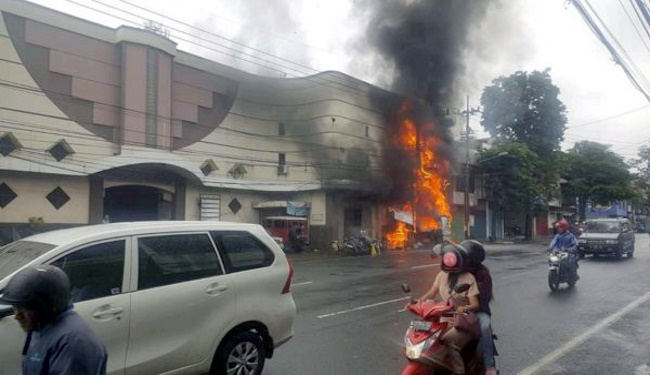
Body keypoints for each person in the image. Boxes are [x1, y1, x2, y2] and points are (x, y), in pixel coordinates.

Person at [0, 265, 107, 375]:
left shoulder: (73, 343)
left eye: (24, 309)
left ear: (45, 307)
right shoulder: (39, 329)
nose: (17, 316)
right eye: (15, 308)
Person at [421, 243, 480, 374]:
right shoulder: (442, 275)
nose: (448, 262)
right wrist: (419, 302)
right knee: (428, 337)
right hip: (445, 317)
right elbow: (431, 293)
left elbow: (475, 305)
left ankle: (459, 371)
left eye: (451, 259)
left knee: (449, 340)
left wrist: (463, 309)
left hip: (463, 321)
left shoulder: (468, 278)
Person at [460, 240, 498, 375]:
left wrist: (468, 307)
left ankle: (489, 366)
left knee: (485, 327)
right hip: (458, 311)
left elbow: (483, 300)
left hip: (479, 311)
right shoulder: (457, 272)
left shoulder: (483, 274)